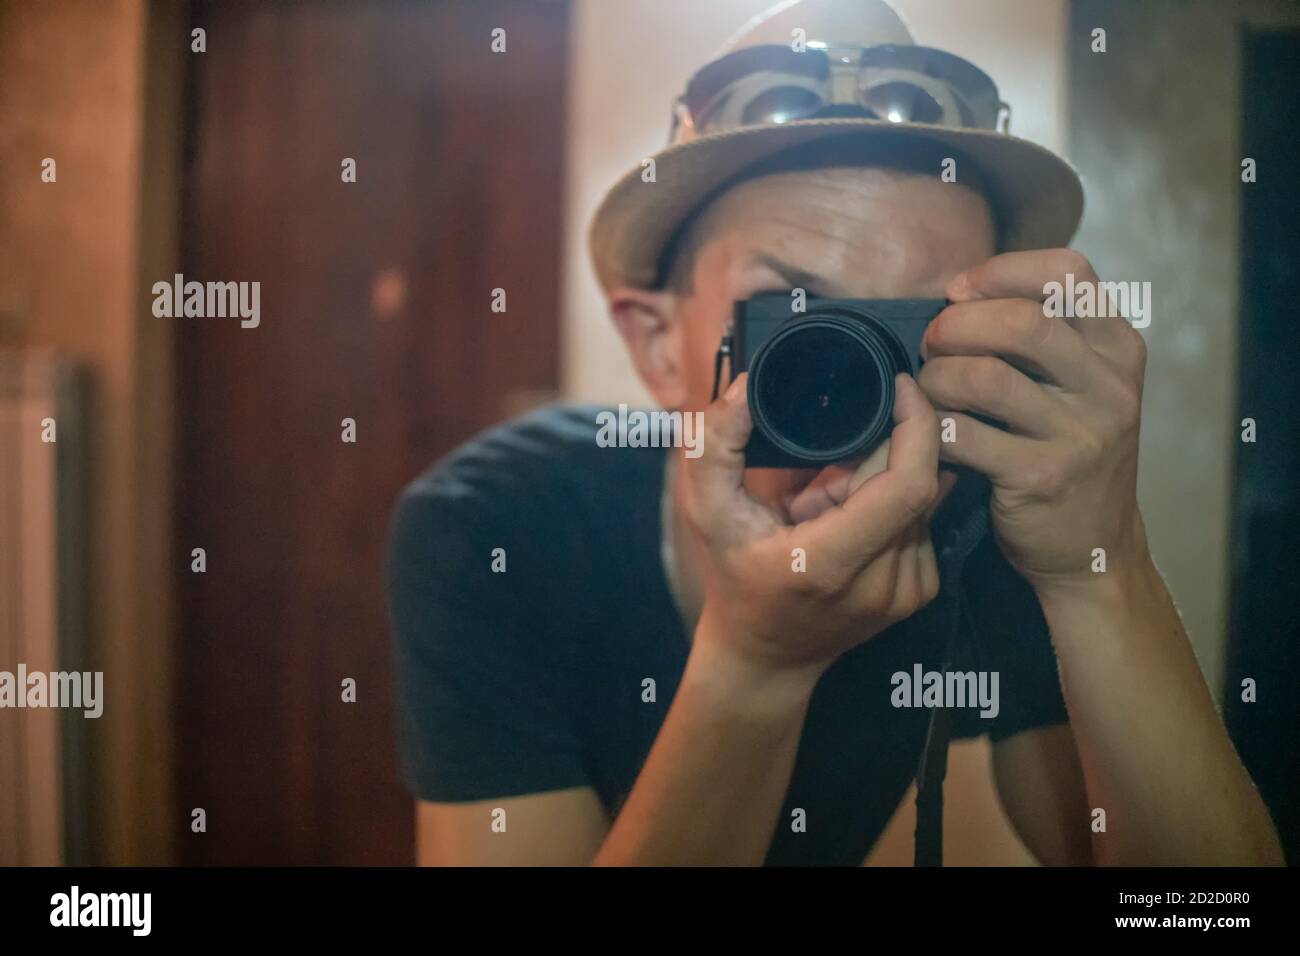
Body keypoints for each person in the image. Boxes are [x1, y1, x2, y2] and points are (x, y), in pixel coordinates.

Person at [386, 0, 1283, 866]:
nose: (859, 393)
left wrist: (1102, 563)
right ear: (660, 347)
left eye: (916, 328)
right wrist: (753, 667)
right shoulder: (496, 530)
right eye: (800, 326)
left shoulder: (987, 517)